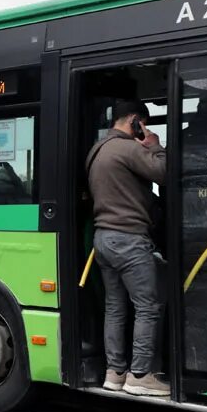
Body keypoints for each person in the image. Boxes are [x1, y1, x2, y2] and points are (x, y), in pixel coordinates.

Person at [86, 99, 169, 397]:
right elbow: (164, 173)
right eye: (144, 123)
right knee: (148, 306)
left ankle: (115, 372)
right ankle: (140, 375)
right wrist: (155, 144)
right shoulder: (130, 148)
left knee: (115, 307)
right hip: (130, 239)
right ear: (136, 121)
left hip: (103, 238)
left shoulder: (98, 150)